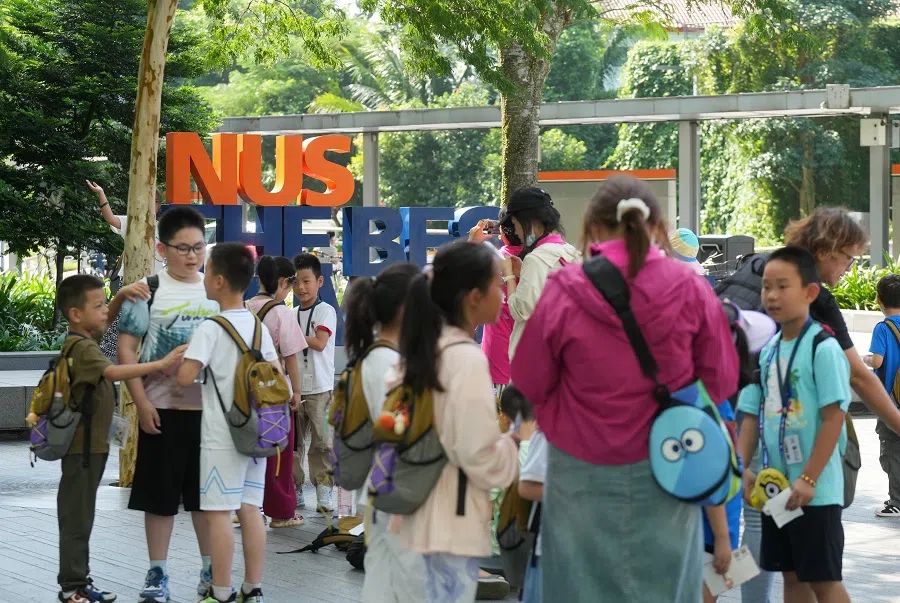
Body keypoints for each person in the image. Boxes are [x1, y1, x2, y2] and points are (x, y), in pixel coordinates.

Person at [511, 175, 739, 602]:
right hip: (667, 470)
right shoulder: (690, 286)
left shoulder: (566, 287)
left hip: (578, 475)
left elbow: (529, 379)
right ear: (655, 227)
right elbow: (722, 379)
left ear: (593, 227)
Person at [715, 207, 900, 603]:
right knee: (753, 549)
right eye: (848, 258)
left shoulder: (754, 272)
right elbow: (857, 380)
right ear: (827, 251)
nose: (849, 268)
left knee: (768, 554)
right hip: (767, 464)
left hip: (726, 437)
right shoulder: (806, 320)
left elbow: (833, 412)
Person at [393, 240, 519, 602]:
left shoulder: (423, 351)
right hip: (452, 519)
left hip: (419, 515)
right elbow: (482, 459)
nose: (504, 294)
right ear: (473, 297)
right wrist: (515, 439)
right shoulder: (466, 359)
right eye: (498, 283)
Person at [53, 275, 186, 603]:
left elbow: (104, 321)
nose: (105, 312)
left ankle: (79, 583)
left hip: (90, 447)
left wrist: (118, 297)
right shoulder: (82, 347)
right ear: (75, 314)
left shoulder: (82, 336)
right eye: (97, 306)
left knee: (82, 515)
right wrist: (162, 363)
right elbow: (113, 372)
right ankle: (72, 587)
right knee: (77, 518)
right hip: (82, 449)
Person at [737, 246, 852, 603]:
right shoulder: (768, 350)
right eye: (766, 287)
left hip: (816, 491)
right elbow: (751, 417)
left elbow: (834, 417)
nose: (771, 295)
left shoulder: (823, 347)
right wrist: (742, 468)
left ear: (810, 292)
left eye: (782, 286)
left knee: (823, 580)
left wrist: (809, 477)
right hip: (777, 490)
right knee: (792, 577)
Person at [117, 206, 219, 603]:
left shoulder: (218, 288)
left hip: (210, 415)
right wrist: (140, 403)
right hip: (161, 411)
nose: (193, 256)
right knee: (159, 499)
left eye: (198, 247)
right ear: (162, 248)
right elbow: (124, 350)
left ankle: (212, 571)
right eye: (183, 248)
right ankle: (157, 573)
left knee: (206, 501)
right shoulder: (146, 291)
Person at [177, 243, 277, 603]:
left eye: (206, 271)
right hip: (258, 433)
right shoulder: (257, 325)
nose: (202, 277)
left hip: (222, 436)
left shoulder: (211, 327)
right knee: (251, 510)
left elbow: (186, 377)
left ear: (218, 281)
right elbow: (276, 373)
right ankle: (253, 588)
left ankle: (220, 592)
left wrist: (182, 354)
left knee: (218, 513)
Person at [341, 262, 424, 603]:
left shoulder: (369, 357)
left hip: (379, 490)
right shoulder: (394, 366)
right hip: (400, 493)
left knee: (380, 584)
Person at [246, 256, 307, 528]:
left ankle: (244, 508)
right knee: (278, 454)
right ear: (282, 282)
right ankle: (281, 512)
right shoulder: (283, 313)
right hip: (274, 392)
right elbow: (291, 358)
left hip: (246, 389)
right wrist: (297, 392)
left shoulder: (244, 308)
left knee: (249, 450)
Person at [500, 187, 579, 361]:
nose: (517, 232)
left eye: (515, 224)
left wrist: (509, 277)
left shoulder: (535, 259)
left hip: (535, 361)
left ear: (529, 221)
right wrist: (523, 272)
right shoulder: (569, 252)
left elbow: (520, 311)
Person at [292, 253, 338, 513]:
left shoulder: (325, 310)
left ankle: (323, 490)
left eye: (307, 281)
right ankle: (295, 489)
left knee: (322, 442)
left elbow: (320, 343)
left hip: (320, 388)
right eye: (296, 282)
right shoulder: (290, 313)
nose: (301, 287)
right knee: (295, 445)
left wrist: (291, 334)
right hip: (295, 389)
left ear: (320, 281)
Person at [866, 273, 900, 518]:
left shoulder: (883, 327)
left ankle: (896, 501)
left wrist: (864, 359)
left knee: (891, 450)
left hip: (892, 402)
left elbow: (877, 359)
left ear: (879, 299)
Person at [87, 180, 165, 278]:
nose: (152, 203)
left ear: (159, 205)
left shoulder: (163, 228)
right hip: (131, 280)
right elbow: (110, 218)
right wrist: (101, 193)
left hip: (154, 281)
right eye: (148, 199)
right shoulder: (131, 222)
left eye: (156, 201)